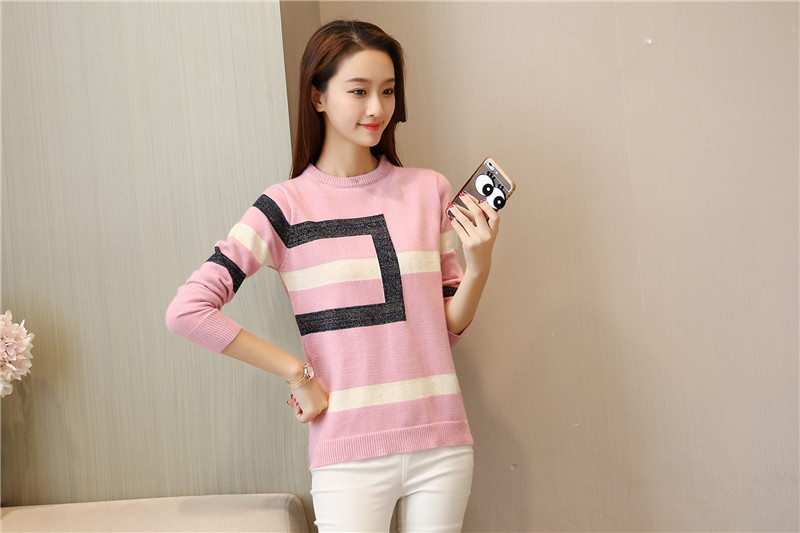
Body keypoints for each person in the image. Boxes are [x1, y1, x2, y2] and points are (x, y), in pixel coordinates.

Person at [166, 19, 500, 532]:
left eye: (387, 91)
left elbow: (445, 330)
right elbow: (188, 311)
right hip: (346, 453)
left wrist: (479, 267)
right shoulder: (284, 207)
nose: (377, 108)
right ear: (318, 97)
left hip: (441, 442)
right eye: (359, 91)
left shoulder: (428, 190)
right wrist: (296, 374)